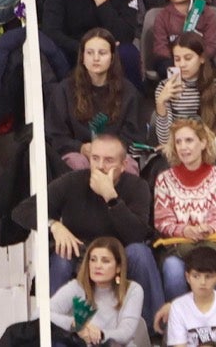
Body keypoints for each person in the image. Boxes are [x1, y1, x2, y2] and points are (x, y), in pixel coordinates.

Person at [30, 132, 163, 329]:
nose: (100, 166)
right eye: (95, 159)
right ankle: (53, 331)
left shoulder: (137, 186)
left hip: (120, 253)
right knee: (61, 256)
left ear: (124, 164)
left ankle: (154, 331)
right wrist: (54, 226)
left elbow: (137, 234)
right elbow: (26, 209)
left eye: (109, 160)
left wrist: (111, 198)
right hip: (80, 251)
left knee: (140, 253)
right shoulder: (73, 181)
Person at [152, 118, 216, 298]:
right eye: (178, 142)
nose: (183, 147)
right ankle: (175, 320)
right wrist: (185, 230)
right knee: (174, 270)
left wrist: (205, 229)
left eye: (189, 140)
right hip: (178, 246)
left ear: (203, 142)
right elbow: (162, 222)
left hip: (212, 243)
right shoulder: (164, 179)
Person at [45, 28, 145, 169]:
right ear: (82, 58)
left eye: (102, 53)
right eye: (90, 53)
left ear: (112, 57)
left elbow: (133, 136)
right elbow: (55, 135)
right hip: (78, 153)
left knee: (127, 166)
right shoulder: (64, 90)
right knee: (78, 163)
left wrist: (108, 151)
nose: (96, 58)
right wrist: (80, 148)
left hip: (114, 153)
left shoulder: (128, 91)